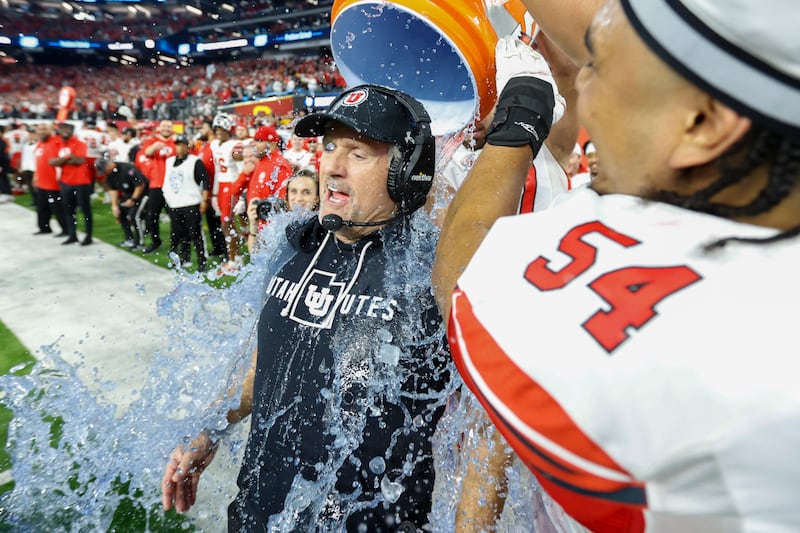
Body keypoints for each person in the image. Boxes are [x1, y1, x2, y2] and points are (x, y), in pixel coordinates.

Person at [433, 0, 800, 531]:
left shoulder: (714, 357)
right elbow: (638, 40)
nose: (581, 88)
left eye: (596, 66)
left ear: (700, 122)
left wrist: (520, 117)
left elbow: (462, 271)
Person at [162, 84, 453, 531]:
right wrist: (210, 429)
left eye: (357, 153)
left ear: (405, 171)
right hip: (257, 513)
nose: (332, 166)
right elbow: (265, 367)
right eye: (329, 146)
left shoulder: (432, 270)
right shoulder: (291, 245)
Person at [162, 135, 210, 271]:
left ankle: (202, 260)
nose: (180, 147)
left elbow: (205, 181)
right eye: (178, 144)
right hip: (174, 203)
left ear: (188, 146)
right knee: (179, 232)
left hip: (191, 202)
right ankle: (185, 257)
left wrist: (204, 200)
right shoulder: (169, 161)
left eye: (183, 144)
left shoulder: (195, 161)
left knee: (195, 234)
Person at [50, 122, 92, 246]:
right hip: (65, 182)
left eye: (67, 129)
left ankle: (88, 236)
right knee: (68, 210)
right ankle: (72, 235)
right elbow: (52, 162)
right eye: (62, 128)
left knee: (85, 210)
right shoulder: (57, 144)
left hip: (81, 181)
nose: (65, 131)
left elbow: (79, 160)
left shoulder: (80, 143)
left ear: (72, 131)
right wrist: (68, 158)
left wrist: (61, 160)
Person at [139, 120, 177, 254]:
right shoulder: (151, 141)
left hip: (173, 185)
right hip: (156, 184)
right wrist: (156, 145)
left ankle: (175, 245)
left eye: (169, 126)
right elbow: (147, 152)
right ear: (159, 128)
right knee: (151, 216)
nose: (167, 128)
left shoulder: (176, 142)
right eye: (164, 126)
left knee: (175, 217)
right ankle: (156, 241)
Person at [96, 154, 147, 248]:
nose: (104, 173)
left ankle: (140, 242)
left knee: (134, 216)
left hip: (143, 193)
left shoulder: (127, 168)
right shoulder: (109, 175)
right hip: (128, 194)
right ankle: (129, 239)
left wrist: (133, 199)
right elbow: (113, 189)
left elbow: (140, 184)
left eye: (104, 170)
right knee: (121, 213)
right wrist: (114, 206)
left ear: (109, 166)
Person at [32, 122, 67, 235]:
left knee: (58, 208)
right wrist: (35, 176)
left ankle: (66, 229)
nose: (41, 131)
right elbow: (38, 162)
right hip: (42, 182)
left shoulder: (57, 141)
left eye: (44, 129)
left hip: (54, 183)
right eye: (39, 129)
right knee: (41, 208)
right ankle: (44, 228)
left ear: (51, 130)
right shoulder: (39, 144)